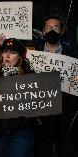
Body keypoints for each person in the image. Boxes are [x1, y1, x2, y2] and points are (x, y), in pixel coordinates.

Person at [34, 14, 78, 157]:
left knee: (64, 146)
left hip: (66, 107)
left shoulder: (73, 53)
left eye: (56, 27)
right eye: (49, 27)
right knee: (43, 146)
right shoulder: (34, 52)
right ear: (43, 31)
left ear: (62, 31)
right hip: (42, 108)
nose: (52, 30)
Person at [0, 38, 35, 157]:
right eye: (5, 51)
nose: (7, 55)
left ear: (20, 56)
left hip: (20, 134)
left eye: (12, 52)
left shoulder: (30, 75)